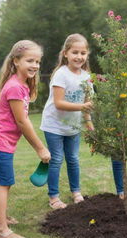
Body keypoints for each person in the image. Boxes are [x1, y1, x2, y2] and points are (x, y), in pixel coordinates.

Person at [0, 40, 51, 238]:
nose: (35, 65)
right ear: (16, 61)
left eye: (37, 61)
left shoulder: (20, 84)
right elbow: (22, 121)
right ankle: (1, 231)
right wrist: (40, 148)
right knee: (3, 183)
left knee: (1, 182)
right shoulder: (15, 87)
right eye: (30, 60)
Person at [40, 33, 94, 210]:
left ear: (87, 54)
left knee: (73, 159)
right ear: (66, 53)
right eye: (75, 52)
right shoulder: (61, 74)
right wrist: (83, 107)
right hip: (54, 125)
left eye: (83, 53)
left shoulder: (86, 77)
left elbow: (88, 106)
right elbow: (59, 103)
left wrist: (90, 126)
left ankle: (76, 192)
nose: (79, 56)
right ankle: (53, 197)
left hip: (73, 127)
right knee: (56, 160)